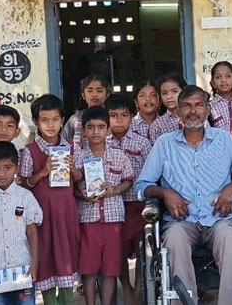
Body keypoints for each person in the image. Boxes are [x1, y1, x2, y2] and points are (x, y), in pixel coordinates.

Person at [135, 85, 232, 305]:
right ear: (178, 111)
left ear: (208, 110)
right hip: (182, 221)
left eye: (199, 105)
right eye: (187, 106)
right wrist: (165, 193)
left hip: (219, 218)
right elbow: (142, 185)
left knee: (230, 240)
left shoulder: (224, 140)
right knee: (174, 240)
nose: (193, 111)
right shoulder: (165, 144)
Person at [20, 95, 81, 305]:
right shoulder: (30, 152)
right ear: (36, 122)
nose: (50, 125)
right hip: (42, 215)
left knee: (66, 256)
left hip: (66, 212)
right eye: (44, 120)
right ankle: (49, 302)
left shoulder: (72, 147)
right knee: (45, 257)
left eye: (55, 119)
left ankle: (66, 301)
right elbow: (23, 184)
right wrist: (43, 172)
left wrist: (72, 168)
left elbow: (80, 178)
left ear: (62, 120)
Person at [73, 107, 135, 305]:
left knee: (110, 269)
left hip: (113, 218)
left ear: (108, 130)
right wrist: (81, 196)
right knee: (89, 269)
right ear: (83, 131)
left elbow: (129, 179)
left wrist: (115, 189)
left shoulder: (119, 155)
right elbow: (72, 188)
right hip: (88, 219)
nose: (95, 132)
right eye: (90, 128)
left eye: (100, 127)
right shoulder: (77, 158)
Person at [0, 141, 42, 305]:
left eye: (8, 167)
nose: (2, 173)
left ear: (17, 169)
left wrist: (35, 263)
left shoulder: (25, 197)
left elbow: (32, 232)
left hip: (23, 270)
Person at [105, 95, 152, 305]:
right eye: (113, 116)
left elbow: (151, 171)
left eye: (124, 115)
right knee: (118, 251)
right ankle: (127, 288)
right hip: (113, 206)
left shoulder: (142, 142)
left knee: (144, 248)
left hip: (137, 203)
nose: (119, 120)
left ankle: (140, 288)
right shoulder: (100, 143)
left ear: (132, 117)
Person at [62, 74, 112, 146]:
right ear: (83, 95)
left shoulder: (112, 118)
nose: (94, 94)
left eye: (99, 91)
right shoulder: (75, 120)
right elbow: (64, 143)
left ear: (107, 94)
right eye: (90, 91)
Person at [148, 73, 188, 143]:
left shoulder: (195, 116)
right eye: (164, 93)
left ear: (183, 91)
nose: (169, 96)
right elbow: (158, 152)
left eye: (174, 91)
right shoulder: (157, 125)